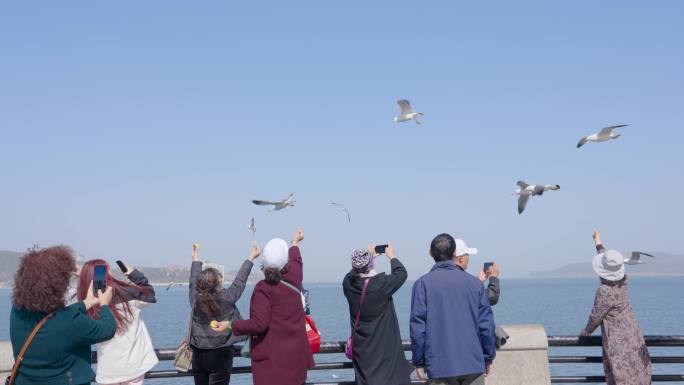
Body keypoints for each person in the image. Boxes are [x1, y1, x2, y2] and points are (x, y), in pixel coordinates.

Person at [9, 246, 116, 385]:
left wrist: (85, 303)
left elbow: (55, 317)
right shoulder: (70, 322)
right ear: (57, 284)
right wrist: (104, 305)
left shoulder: (17, 311)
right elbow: (107, 329)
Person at [223, 228, 314, 385]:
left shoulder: (263, 288)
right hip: (296, 362)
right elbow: (296, 259)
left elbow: (259, 324)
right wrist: (295, 242)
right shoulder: (295, 276)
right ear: (284, 260)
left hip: (273, 366)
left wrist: (231, 325)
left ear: (264, 263)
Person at [410, 234, 496, 385]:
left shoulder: (422, 284)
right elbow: (486, 324)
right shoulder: (475, 284)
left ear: (430, 253)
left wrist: (419, 361)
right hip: (472, 364)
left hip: (439, 366)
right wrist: (488, 357)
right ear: (455, 253)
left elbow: (418, 328)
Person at [580, 230, 651, 385]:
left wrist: (586, 332)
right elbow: (611, 261)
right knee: (638, 375)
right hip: (633, 336)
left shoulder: (605, 291)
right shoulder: (624, 282)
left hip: (618, 343)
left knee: (621, 377)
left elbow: (596, 316)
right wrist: (598, 242)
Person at [76, 259, 158, 385]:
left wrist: (84, 278)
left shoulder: (86, 305)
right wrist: (134, 274)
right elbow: (149, 294)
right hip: (133, 367)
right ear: (107, 272)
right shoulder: (128, 294)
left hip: (108, 371)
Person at [189, 243, 259, 385]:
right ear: (217, 285)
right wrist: (250, 258)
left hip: (198, 353)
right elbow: (240, 282)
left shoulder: (195, 299)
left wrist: (195, 259)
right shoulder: (227, 298)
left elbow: (193, 280)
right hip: (221, 354)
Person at [342, 244, 411, 385]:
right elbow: (401, 273)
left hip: (362, 351)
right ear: (370, 265)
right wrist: (391, 256)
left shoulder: (348, 284)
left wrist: (367, 257)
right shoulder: (380, 285)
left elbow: (351, 274)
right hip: (385, 351)